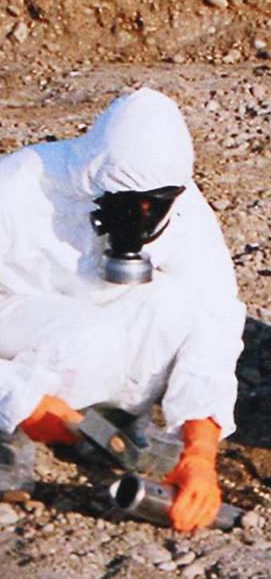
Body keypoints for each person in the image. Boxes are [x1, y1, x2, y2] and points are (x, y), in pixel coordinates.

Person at [0, 88, 246, 532]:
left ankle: (98, 426)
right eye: (130, 203)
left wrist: (200, 451)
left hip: (81, 339)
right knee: (84, 335)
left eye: (157, 202)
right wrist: (20, 396)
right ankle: (15, 426)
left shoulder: (186, 210)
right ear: (95, 180)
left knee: (175, 303)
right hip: (17, 324)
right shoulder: (19, 187)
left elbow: (215, 319)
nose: (144, 215)